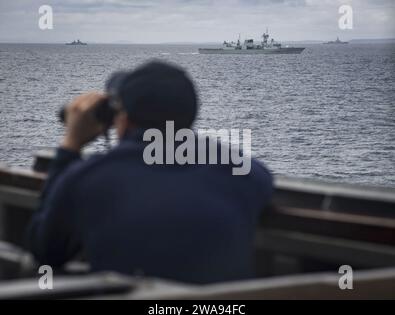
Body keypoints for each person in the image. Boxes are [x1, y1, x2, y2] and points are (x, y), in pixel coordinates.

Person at [27, 61, 273, 284]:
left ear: (122, 118)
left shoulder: (89, 177)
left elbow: (45, 250)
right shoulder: (247, 172)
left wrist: (70, 145)